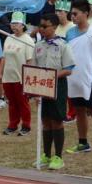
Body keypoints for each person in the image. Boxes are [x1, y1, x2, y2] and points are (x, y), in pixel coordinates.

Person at [65, 0, 92, 158]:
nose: (73, 16)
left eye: (75, 14)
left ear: (86, 13)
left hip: (90, 79)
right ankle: (83, 142)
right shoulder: (70, 32)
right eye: (72, 14)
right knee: (79, 110)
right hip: (74, 78)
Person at [33, 13, 75, 170]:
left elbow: (69, 69)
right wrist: (36, 92)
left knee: (56, 120)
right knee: (45, 121)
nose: (42, 29)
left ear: (55, 27)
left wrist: (51, 76)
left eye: (45, 26)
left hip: (58, 86)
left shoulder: (63, 45)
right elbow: (34, 68)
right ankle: (46, 154)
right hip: (42, 88)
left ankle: (58, 156)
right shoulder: (38, 46)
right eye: (40, 26)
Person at [0, 12, 34, 136]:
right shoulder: (8, 37)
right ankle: (13, 124)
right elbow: (3, 57)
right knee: (12, 102)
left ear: (23, 25)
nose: (14, 26)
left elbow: (30, 60)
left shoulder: (28, 40)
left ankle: (26, 125)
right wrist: (0, 73)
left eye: (16, 24)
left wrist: (28, 76)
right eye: (12, 23)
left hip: (20, 76)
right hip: (8, 76)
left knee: (23, 102)